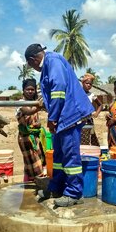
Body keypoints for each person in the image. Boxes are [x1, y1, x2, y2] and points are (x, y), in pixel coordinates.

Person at [25, 43, 94, 207]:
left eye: (31, 65)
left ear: (33, 60)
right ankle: (56, 187)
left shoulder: (53, 61)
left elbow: (58, 90)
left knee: (70, 155)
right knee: (58, 157)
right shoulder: (49, 63)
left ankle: (74, 193)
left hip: (70, 114)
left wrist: (53, 117)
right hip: (63, 116)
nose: (33, 68)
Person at [16, 78, 47, 183]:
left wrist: (38, 124)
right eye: (27, 89)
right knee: (34, 162)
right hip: (25, 137)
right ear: (23, 90)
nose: (30, 91)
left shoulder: (34, 102)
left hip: (35, 137)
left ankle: (28, 184)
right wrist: (39, 106)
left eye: (32, 89)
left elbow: (35, 117)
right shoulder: (20, 103)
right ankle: (39, 186)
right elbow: (28, 112)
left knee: (33, 162)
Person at [80, 73, 102, 146]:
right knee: (80, 139)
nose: (89, 85)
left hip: (88, 120)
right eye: (87, 83)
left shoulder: (92, 95)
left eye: (90, 84)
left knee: (89, 138)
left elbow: (100, 105)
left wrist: (96, 113)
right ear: (82, 83)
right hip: (78, 120)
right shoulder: (77, 94)